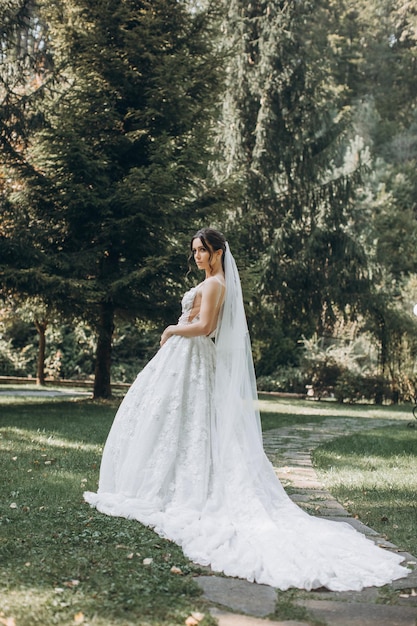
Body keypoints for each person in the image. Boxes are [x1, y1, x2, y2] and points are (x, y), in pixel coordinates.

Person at [85, 228, 409, 591]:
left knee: (190, 424)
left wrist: (171, 330)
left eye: (203, 251)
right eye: (194, 250)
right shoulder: (214, 282)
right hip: (187, 358)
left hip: (191, 354)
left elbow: (205, 327)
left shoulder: (214, 285)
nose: (197, 256)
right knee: (183, 423)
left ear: (218, 252)